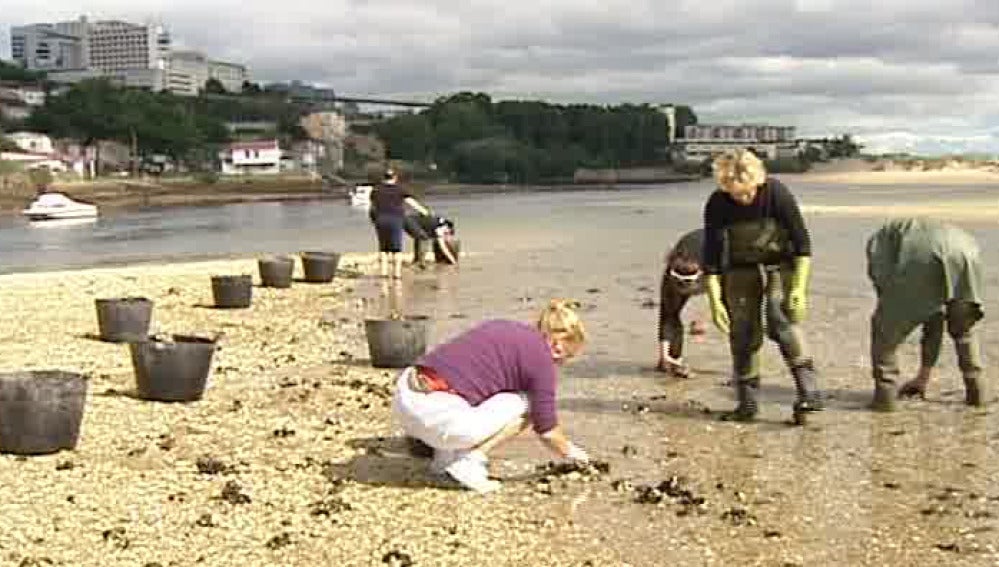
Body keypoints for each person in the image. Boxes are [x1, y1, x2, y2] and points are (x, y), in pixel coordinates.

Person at [392, 299, 591, 493]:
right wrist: (573, 454)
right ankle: (470, 461)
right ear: (558, 346)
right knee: (529, 404)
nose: (561, 364)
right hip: (437, 417)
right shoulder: (542, 362)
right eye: (567, 357)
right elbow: (547, 430)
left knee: (478, 389)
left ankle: (444, 460)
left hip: (406, 396)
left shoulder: (501, 326)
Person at [702, 149, 822, 423]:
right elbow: (711, 257)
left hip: (782, 263)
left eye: (748, 192)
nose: (744, 198)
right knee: (742, 332)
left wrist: (799, 290)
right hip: (740, 267)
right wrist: (715, 301)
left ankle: (809, 393)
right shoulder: (717, 204)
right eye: (736, 193)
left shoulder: (776, 194)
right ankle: (747, 405)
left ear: (758, 181)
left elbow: (803, 244)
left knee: (780, 319)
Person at [865, 217, 985, 411]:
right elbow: (934, 319)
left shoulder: (880, 246)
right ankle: (977, 394)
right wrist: (923, 378)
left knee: (884, 332)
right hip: (965, 250)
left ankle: (885, 400)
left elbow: (885, 292)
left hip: (922, 254)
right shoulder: (891, 239)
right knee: (964, 331)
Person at [656, 228, 705, 378]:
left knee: (735, 315)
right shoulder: (671, 274)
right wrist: (665, 355)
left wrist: (706, 316)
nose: (684, 292)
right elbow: (667, 316)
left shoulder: (715, 268)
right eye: (679, 287)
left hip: (715, 263)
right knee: (671, 311)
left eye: (687, 287)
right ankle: (672, 360)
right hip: (689, 261)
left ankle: (743, 367)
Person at [369, 168, 431, 278]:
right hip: (395, 219)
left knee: (383, 248)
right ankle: (397, 274)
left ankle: (384, 272)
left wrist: (374, 220)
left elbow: (372, 207)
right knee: (396, 248)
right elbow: (411, 202)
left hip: (381, 219)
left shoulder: (376, 190)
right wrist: (424, 212)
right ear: (395, 177)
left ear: (383, 177)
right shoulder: (400, 189)